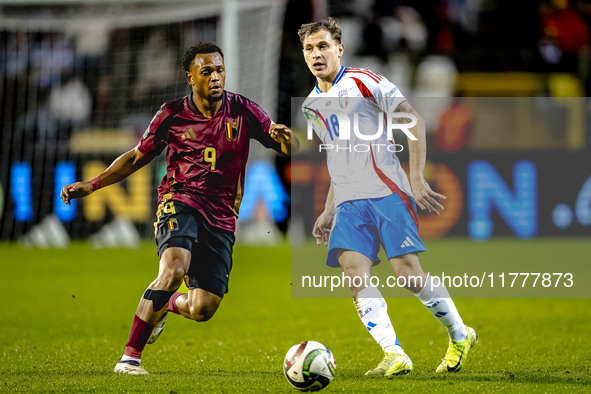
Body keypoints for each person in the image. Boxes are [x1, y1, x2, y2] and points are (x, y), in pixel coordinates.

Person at [61, 42, 299, 375]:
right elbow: (134, 157)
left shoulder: (243, 110)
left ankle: (164, 306)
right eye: (207, 71)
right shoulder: (171, 115)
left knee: (203, 308)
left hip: (222, 217)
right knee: (173, 269)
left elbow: (286, 146)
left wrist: (287, 139)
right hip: (180, 201)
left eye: (219, 70)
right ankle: (130, 357)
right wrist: (93, 184)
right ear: (190, 77)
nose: (215, 77)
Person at [298, 17, 476, 377]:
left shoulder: (365, 81)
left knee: (408, 276)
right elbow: (337, 157)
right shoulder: (310, 106)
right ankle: (394, 353)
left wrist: (416, 178)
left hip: (387, 192)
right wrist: (328, 209)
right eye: (308, 49)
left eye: (323, 46)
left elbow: (414, 122)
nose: (316, 54)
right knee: (354, 273)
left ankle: (460, 334)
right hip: (349, 202)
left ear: (339, 49)